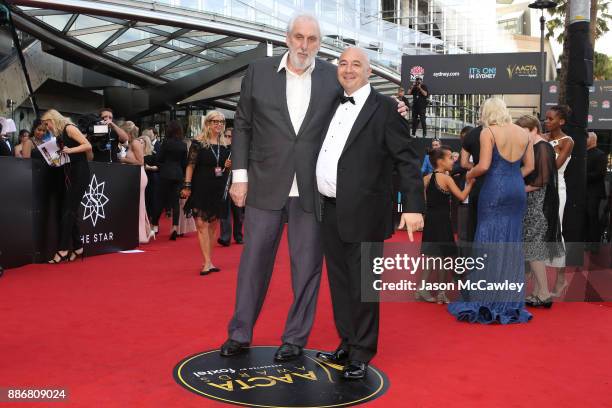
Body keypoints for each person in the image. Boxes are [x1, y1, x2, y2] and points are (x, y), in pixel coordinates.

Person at [221, 13, 408, 361]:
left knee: (307, 269)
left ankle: (294, 338)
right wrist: (241, 176)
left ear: (320, 44)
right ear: (287, 38)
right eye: (299, 37)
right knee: (252, 265)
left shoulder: (332, 77)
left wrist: (391, 106)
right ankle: (240, 332)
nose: (304, 46)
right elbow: (243, 125)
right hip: (264, 184)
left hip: (312, 192)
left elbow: (361, 101)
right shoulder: (258, 72)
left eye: (312, 40)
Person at [315, 47, 424, 379]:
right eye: (343, 64)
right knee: (339, 283)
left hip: (365, 211)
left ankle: (362, 351)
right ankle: (347, 342)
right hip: (328, 208)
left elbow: (406, 159)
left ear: (369, 71)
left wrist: (414, 206)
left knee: (364, 286)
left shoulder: (387, 108)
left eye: (356, 65)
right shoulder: (331, 102)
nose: (348, 70)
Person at [448, 97, 534, 324]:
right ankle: (508, 298)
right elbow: (530, 167)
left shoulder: (489, 132)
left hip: (494, 189)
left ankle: (485, 298)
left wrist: (469, 174)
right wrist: (513, 177)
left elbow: (484, 166)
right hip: (516, 189)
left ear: (487, 112)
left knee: (487, 240)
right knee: (511, 241)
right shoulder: (524, 133)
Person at [417, 146, 473, 304]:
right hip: (442, 221)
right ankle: (441, 291)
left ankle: (424, 287)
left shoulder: (426, 178)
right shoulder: (447, 179)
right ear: (440, 161)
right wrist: (470, 183)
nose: (453, 160)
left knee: (431, 256)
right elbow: (462, 196)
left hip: (430, 220)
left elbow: (424, 202)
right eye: (450, 158)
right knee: (445, 257)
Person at [516, 115, 562, 308]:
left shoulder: (542, 147)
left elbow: (540, 181)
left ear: (534, 129)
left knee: (534, 249)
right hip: (534, 204)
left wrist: (516, 186)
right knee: (533, 249)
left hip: (538, 205)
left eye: (523, 132)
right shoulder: (537, 146)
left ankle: (543, 293)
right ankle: (537, 292)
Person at [182, 111, 231, 274]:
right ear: (208, 123)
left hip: (218, 189)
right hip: (200, 188)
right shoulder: (198, 143)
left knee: (213, 226)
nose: (219, 125)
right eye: (215, 121)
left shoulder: (225, 145)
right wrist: (187, 185)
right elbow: (190, 165)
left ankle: (210, 260)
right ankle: (207, 262)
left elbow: (224, 169)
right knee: (202, 225)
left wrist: (228, 165)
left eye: (221, 122)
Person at [41, 109, 92, 263]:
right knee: (70, 210)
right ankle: (78, 247)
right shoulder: (60, 134)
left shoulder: (69, 128)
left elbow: (87, 145)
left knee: (68, 210)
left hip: (80, 172)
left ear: (53, 119)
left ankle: (63, 249)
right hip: (70, 172)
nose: (46, 127)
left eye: (47, 123)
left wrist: (70, 150)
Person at [545, 105, 574, 297]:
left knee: (556, 231)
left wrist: (544, 149)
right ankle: (533, 277)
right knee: (537, 230)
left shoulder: (567, 141)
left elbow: (555, 166)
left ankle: (561, 279)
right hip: (538, 189)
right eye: (545, 118)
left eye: (550, 119)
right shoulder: (542, 138)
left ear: (561, 121)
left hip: (557, 190)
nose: (546, 121)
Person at [151, 120, 187, 240]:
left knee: (160, 200)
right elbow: (184, 163)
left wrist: (162, 167)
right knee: (175, 202)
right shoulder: (183, 145)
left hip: (165, 174)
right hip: (178, 175)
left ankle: (155, 225)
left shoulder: (166, 143)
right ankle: (175, 227)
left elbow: (159, 158)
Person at [119, 121, 153, 244]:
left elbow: (140, 162)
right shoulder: (132, 143)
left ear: (127, 132)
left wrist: (122, 159)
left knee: (139, 205)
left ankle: (141, 234)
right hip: (134, 175)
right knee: (137, 205)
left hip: (139, 176)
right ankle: (142, 232)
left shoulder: (135, 143)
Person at [218, 127, 244, 246]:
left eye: (231, 136)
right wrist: (223, 168)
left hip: (237, 184)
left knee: (238, 212)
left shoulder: (240, 150)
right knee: (224, 212)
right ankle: (225, 237)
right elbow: (216, 169)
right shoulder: (220, 150)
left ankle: (238, 235)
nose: (228, 139)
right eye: (226, 136)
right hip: (223, 184)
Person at [461, 124, 484, 243]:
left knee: (474, 223)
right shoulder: (509, 132)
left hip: (478, 184)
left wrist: (472, 171)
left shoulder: (473, 134)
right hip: (505, 184)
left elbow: (464, 163)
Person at [585, 132, 607, 252]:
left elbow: (600, 173)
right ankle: (586, 242)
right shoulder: (582, 154)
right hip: (584, 191)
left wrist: (582, 176)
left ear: (592, 140)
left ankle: (594, 245)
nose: (584, 139)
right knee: (585, 217)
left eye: (586, 137)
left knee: (592, 217)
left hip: (594, 192)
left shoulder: (600, 154)